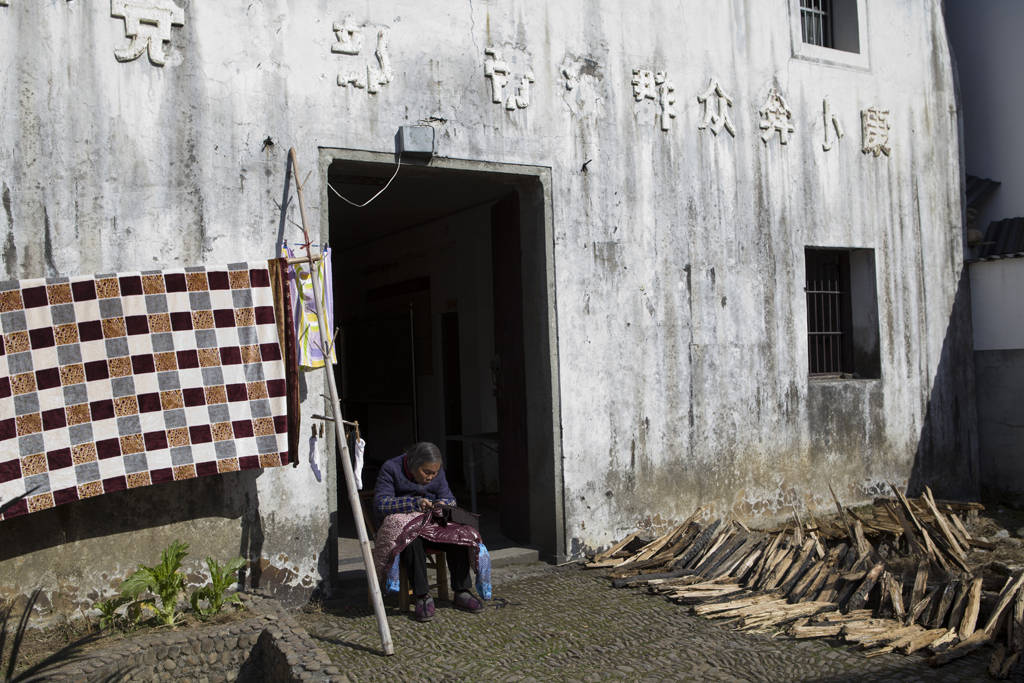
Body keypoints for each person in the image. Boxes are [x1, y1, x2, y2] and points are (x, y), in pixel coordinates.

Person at [373, 442, 486, 622]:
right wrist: (415, 503)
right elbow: (381, 504)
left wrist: (440, 505)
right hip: (408, 529)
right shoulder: (391, 468)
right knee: (411, 539)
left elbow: (450, 499)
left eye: (435, 473)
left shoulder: (436, 472)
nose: (432, 477)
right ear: (412, 464)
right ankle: (422, 596)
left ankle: (461, 590)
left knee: (460, 535)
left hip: (432, 527)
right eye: (427, 472)